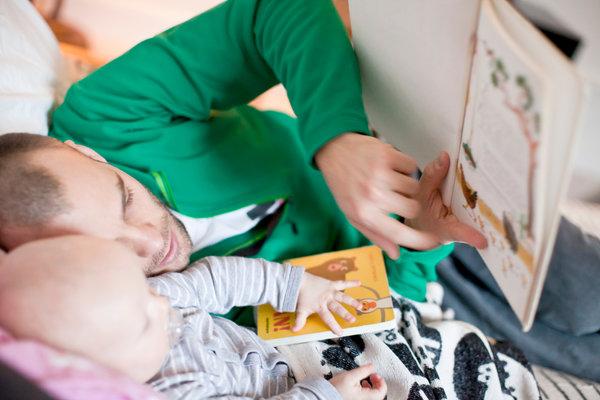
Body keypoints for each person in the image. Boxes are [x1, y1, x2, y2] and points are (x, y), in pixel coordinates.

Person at [1, 0, 485, 325]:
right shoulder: (156, 314)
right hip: (416, 270)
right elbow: (378, 307)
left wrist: (337, 139)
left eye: (125, 199)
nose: (151, 242)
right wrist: (423, 240)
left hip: (403, 157)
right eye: (106, 251)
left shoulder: (102, 117)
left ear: (84, 154)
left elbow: (280, 10)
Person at [0, 235, 388, 399]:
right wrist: (327, 395)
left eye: (145, 290)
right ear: (102, 374)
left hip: (283, 350)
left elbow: (216, 278)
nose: (162, 305)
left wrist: (294, 285)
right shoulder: (174, 391)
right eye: (145, 323)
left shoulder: (154, 297)